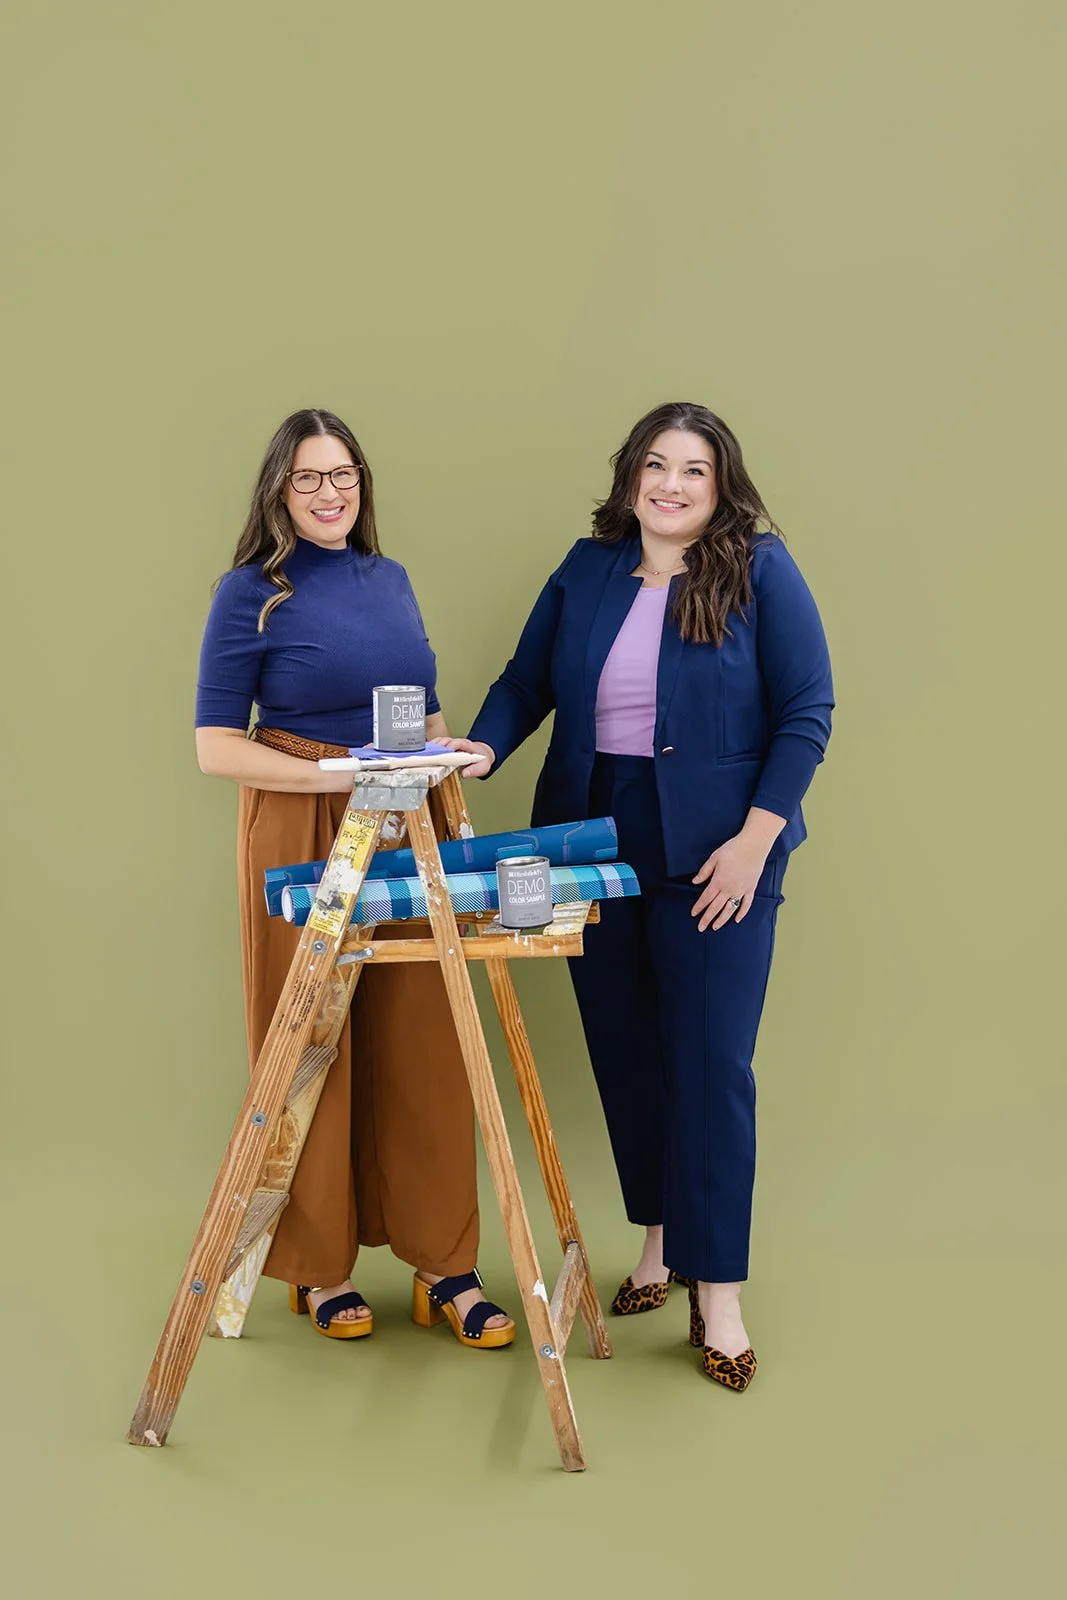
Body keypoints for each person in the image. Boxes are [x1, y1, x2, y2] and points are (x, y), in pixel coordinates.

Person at [440, 401, 833, 1389]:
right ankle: (656, 1242)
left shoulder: (760, 571)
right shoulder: (587, 569)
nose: (668, 484)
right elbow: (525, 679)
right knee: (624, 1045)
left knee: (708, 1062)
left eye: (690, 470)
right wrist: (483, 746)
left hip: (717, 846)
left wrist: (754, 839)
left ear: (719, 485)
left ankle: (718, 1290)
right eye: (653, 465)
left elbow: (805, 708)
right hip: (589, 833)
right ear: (629, 477)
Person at [195, 407, 514, 1349]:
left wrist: (440, 747)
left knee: (426, 1035)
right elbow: (215, 747)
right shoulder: (250, 592)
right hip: (304, 817)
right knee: (309, 1042)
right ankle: (318, 1269)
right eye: (309, 479)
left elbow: (411, 700)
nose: (330, 493)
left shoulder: (390, 578)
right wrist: (327, 779)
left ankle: (445, 1264)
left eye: (344, 476)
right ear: (278, 492)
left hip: (406, 813)